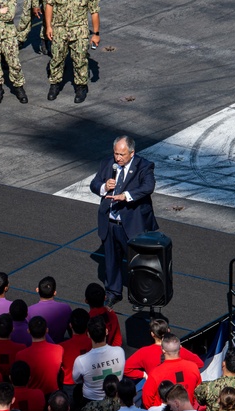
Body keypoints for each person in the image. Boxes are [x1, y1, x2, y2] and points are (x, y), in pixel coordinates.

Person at [88, 136, 158, 307]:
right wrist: (104, 186)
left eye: (122, 154)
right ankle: (113, 292)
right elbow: (94, 184)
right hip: (110, 222)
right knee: (111, 261)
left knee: (138, 263)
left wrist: (126, 196)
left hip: (132, 224)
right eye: (116, 154)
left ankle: (140, 295)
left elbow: (148, 187)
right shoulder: (107, 163)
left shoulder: (144, 166)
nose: (118, 158)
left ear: (132, 153)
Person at [43, 0, 99, 103]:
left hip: (79, 31)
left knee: (80, 60)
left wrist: (96, 34)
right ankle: (55, 84)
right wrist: (49, 27)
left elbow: (94, 12)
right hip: (59, 30)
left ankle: (81, 86)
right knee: (56, 58)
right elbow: (49, 5)